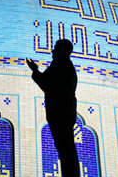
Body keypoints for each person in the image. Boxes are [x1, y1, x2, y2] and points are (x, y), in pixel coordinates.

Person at [26, 39, 80, 177]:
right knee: (64, 147)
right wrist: (36, 71)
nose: (52, 51)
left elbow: (47, 85)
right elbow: (48, 84)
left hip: (61, 111)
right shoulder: (62, 64)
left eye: (55, 48)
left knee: (66, 147)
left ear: (62, 49)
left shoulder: (62, 64)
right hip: (61, 110)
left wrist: (35, 71)